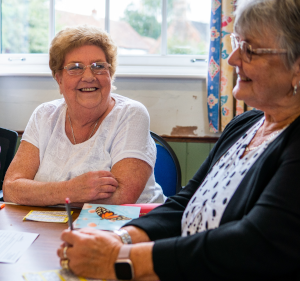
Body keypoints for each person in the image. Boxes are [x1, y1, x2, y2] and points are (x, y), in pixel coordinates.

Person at [57, 0, 300, 280]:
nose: (232, 59)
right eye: (236, 43)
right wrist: (122, 238)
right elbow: (184, 202)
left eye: (249, 49)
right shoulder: (244, 124)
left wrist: (119, 259)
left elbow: (254, 244)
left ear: (296, 66)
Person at [3, 25, 165, 206]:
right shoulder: (44, 115)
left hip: (131, 227)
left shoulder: (131, 113)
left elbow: (121, 198)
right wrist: (71, 190)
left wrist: (43, 194)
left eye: (98, 66)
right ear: (59, 78)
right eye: (75, 68)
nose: (89, 76)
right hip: (52, 226)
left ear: (110, 75)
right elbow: (11, 188)